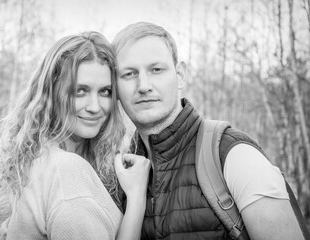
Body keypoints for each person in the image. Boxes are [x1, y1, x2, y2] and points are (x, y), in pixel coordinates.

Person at [112, 22, 306, 240]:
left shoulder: (234, 156)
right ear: (115, 87)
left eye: (156, 70)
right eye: (129, 74)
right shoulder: (118, 174)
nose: (143, 85)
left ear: (180, 75)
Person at [0, 31, 150, 240]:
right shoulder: (67, 173)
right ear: (52, 93)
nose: (95, 107)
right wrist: (136, 197)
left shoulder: (41, 158)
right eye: (80, 91)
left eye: (105, 91)